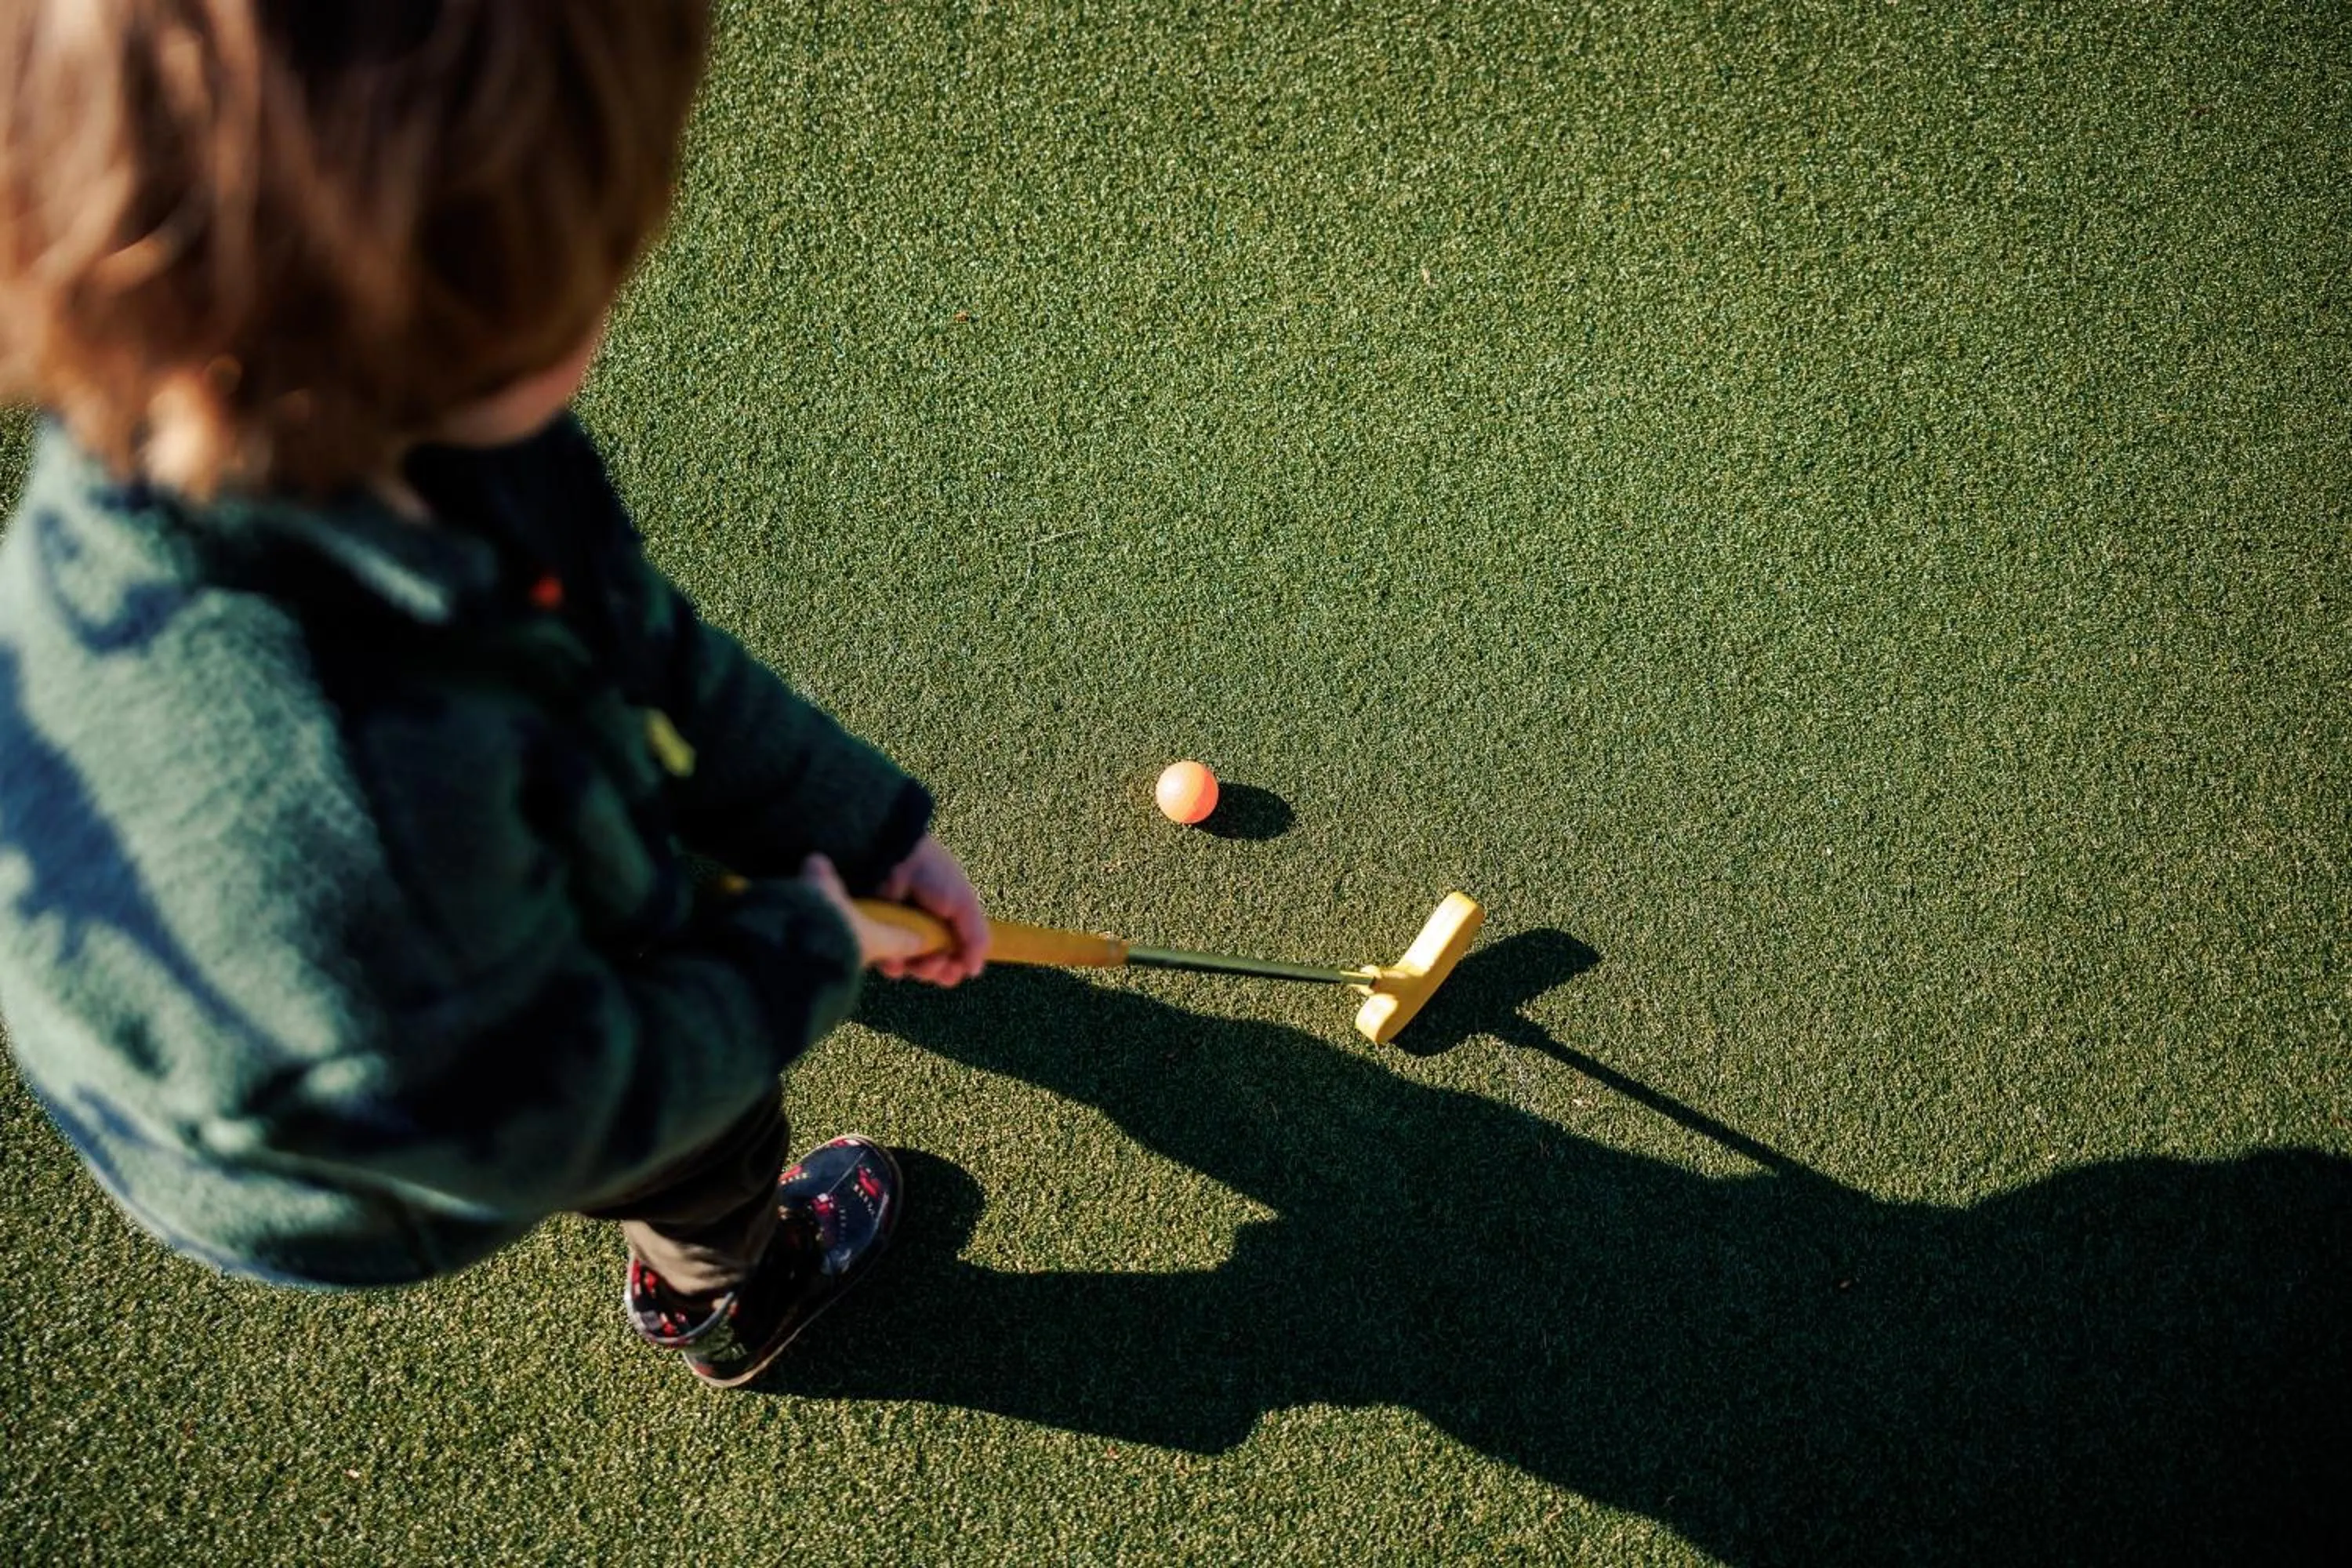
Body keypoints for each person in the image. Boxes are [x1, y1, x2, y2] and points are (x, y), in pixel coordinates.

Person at [0, 0, 988, 1388]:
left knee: (620, 861)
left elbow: (637, 639)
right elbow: (565, 1103)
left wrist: (861, 825)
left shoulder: (401, 411)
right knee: (705, 1144)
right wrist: (795, 960)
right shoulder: (351, 821)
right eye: (591, 275)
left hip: (424, 948)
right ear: (446, 311)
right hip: (388, 1130)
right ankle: (722, 1291)